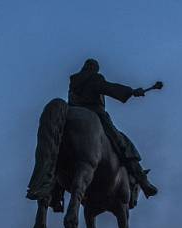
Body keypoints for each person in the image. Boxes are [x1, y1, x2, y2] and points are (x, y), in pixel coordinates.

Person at [68, 58, 159, 197]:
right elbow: (109, 88)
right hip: (96, 113)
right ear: (94, 69)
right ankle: (143, 181)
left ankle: (54, 194)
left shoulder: (74, 81)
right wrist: (132, 91)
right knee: (123, 142)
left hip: (71, 113)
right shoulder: (94, 78)